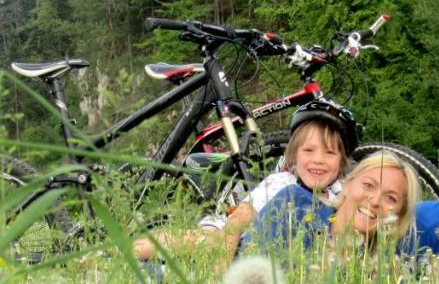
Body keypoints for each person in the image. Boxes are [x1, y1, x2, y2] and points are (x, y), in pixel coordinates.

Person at [132, 99, 357, 261]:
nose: (318, 161)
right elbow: (236, 224)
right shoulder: (281, 183)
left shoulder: (338, 195)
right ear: (294, 155)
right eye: (309, 151)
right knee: (200, 243)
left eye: (329, 153)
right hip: (230, 234)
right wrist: (220, 275)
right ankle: (124, 252)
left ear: (342, 160)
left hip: (269, 249)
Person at [244, 150, 420, 256]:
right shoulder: (295, 205)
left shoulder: (381, 276)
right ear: (348, 185)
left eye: (391, 198)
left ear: (399, 216)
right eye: (368, 185)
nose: (374, 201)